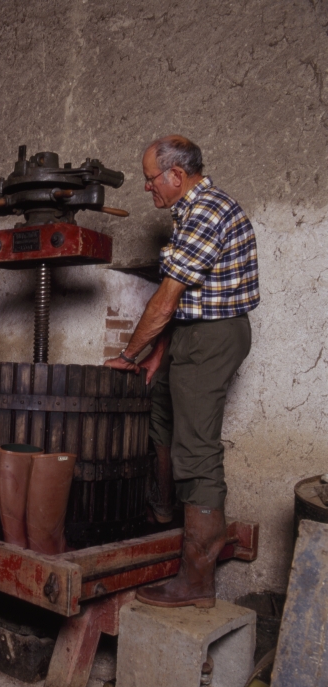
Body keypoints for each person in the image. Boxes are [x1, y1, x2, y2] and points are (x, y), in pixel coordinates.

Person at [105, 135, 259, 608]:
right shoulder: (189, 213)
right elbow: (190, 300)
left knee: (196, 451)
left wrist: (130, 354)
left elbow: (167, 300)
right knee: (161, 417)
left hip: (212, 339)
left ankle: (196, 582)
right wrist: (158, 356)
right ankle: (161, 515)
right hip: (193, 333)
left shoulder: (207, 211)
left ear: (176, 175)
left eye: (151, 179)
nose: (148, 188)